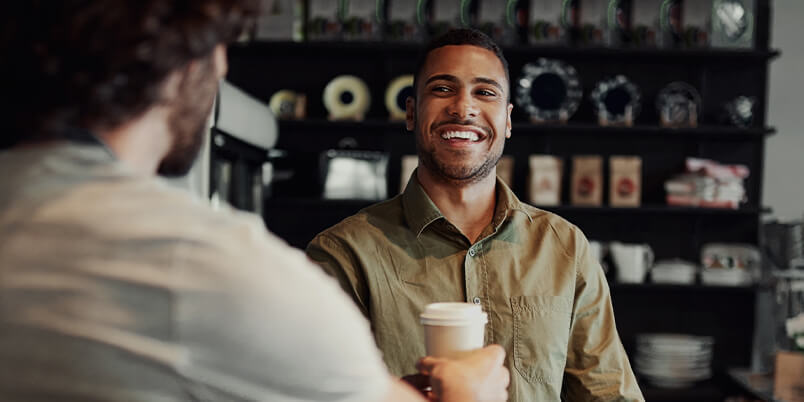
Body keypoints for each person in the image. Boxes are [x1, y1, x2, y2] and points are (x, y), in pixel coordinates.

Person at [0, 3, 510, 401]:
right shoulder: (231, 273)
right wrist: (465, 394)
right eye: (219, 46)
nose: (222, 66)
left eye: (485, 92)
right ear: (182, 63)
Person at [306, 28, 645, 401]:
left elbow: (609, 395)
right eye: (442, 89)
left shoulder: (564, 247)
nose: (463, 108)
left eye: (485, 92)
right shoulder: (344, 254)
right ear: (411, 112)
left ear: (508, 120)